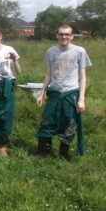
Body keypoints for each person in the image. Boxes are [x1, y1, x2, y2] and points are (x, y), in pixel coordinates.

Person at [36, 25, 92, 159]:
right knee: (47, 121)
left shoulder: (79, 51)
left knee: (68, 123)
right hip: (54, 92)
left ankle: (63, 155)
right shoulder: (51, 51)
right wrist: (42, 92)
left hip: (70, 93)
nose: (64, 37)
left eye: (67, 34)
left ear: (72, 36)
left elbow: (82, 76)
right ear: (56, 35)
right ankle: (44, 153)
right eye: (61, 34)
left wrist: (81, 99)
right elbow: (48, 74)